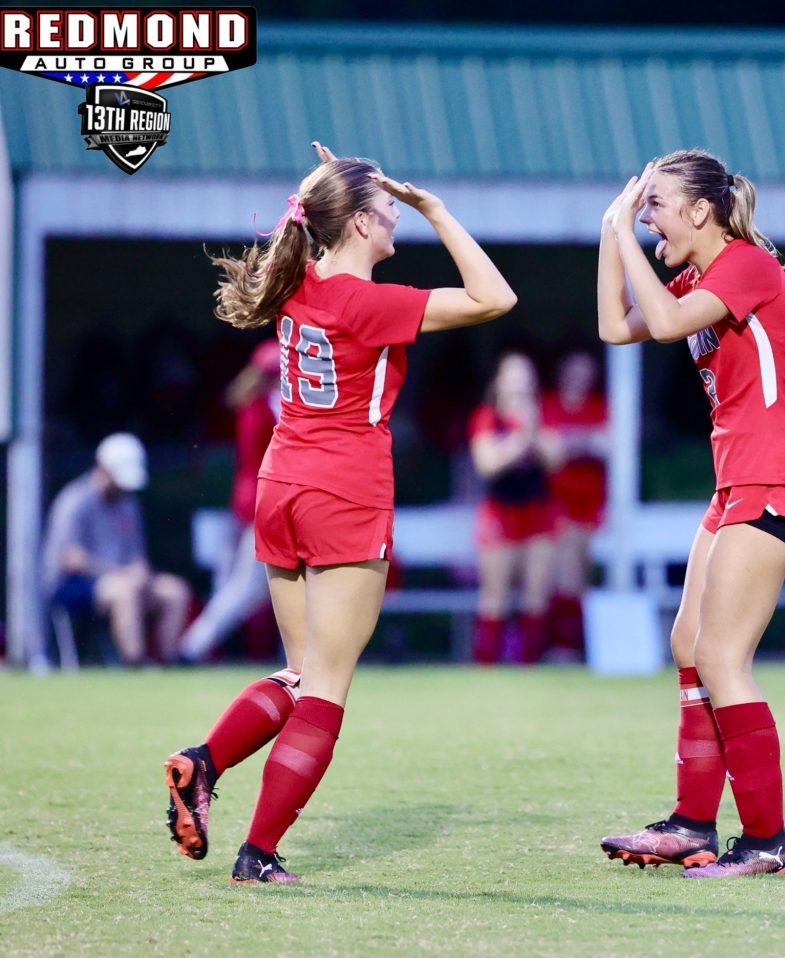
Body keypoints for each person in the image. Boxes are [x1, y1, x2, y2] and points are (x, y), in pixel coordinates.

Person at [163, 143, 516, 883]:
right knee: (327, 686)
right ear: (357, 223)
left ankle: (203, 763)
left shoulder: (295, 280)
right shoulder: (370, 303)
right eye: (386, 208)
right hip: (345, 489)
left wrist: (335, 184)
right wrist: (436, 209)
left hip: (281, 485)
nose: (396, 215)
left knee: (300, 674)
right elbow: (495, 298)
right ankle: (258, 854)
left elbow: (313, 226)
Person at [595, 149, 785, 878]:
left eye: (656, 204)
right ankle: (692, 822)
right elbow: (616, 326)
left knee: (723, 657)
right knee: (689, 644)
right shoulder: (699, 279)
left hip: (775, 478)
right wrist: (610, 234)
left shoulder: (747, 266)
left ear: (701, 210)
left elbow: (662, 324)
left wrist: (625, 236)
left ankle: (766, 841)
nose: (647, 217)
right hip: (738, 484)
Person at [41, 432, 191, 665]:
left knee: (175, 591)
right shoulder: (74, 500)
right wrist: (120, 573)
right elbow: (71, 559)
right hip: (72, 583)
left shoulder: (128, 504)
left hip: (121, 579)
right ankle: (136, 664)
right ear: (103, 470)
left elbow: (136, 554)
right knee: (125, 592)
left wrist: (140, 572)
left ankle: (170, 661)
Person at [178, 340, 280, 663]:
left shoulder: (252, 401)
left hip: (250, 504)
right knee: (244, 587)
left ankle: (194, 646)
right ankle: (191, 648)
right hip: (263, 506)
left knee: (237, 586)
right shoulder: (262, 405)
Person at [468, 351, 562, 664]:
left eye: (525, 379)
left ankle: (529, 664)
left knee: (536, 595)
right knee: (494, 596)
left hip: (538, 511)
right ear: (499, 382)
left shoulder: (542, 414)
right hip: (501, 511)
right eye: (513, 378)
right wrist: (521, 439)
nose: (519, 386)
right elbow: (487, 463)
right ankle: (486, 665)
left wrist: (533, 430)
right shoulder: (487, 416)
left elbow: (555, 459)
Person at [541, 350, 609, 659]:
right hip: (555, 504)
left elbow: (610, 446)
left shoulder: (600, 406)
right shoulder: (549, 405)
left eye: (586, 373)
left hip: (592, 505)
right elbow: (550, 454)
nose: (579, 379)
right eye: (574, 372)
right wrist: (587, 442)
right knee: (565, 570)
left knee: (578, 573)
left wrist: (571, 442)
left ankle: (573, 643)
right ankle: (563, 645)